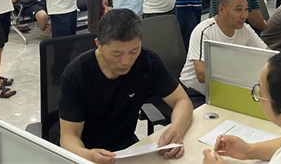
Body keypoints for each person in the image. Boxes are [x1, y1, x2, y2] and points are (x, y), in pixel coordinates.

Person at [59, 9, 192, 160]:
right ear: (99, 44)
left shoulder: (148, 61)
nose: (126, 61)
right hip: (86, 152)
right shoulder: (76, 74)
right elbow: (69, 136)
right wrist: (86, 154)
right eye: (116, 54)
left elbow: (182, 100)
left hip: (126, 149)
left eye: (134, 51)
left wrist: (176, 128)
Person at [180, 0, 268, 108]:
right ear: (221, 10)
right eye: (238, 10)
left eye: (246, 9)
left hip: (225, 90)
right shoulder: (204, 31)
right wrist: (242, 71)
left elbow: (268, 56)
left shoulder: (245, 29)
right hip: (195, 93)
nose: (244, 15)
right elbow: (201, 74)